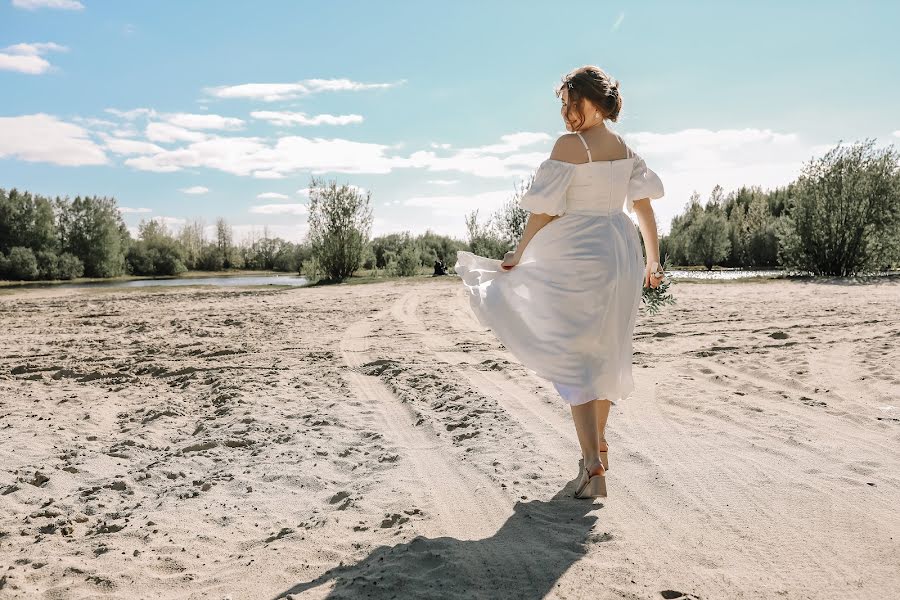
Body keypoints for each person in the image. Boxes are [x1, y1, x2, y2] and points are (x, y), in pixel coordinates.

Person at [454, 65, 665, 499]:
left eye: (570, 101)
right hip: (622, 250)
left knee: (576, 355)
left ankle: (592, 467)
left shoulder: (570, 146)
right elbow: (643, 208)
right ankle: (597, 452)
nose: (567, 110)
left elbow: (545, 211)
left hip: (581, 248)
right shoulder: (626, 148)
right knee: (606, 351)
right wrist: (653, 260)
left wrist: (519, 251)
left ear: (590, 100)